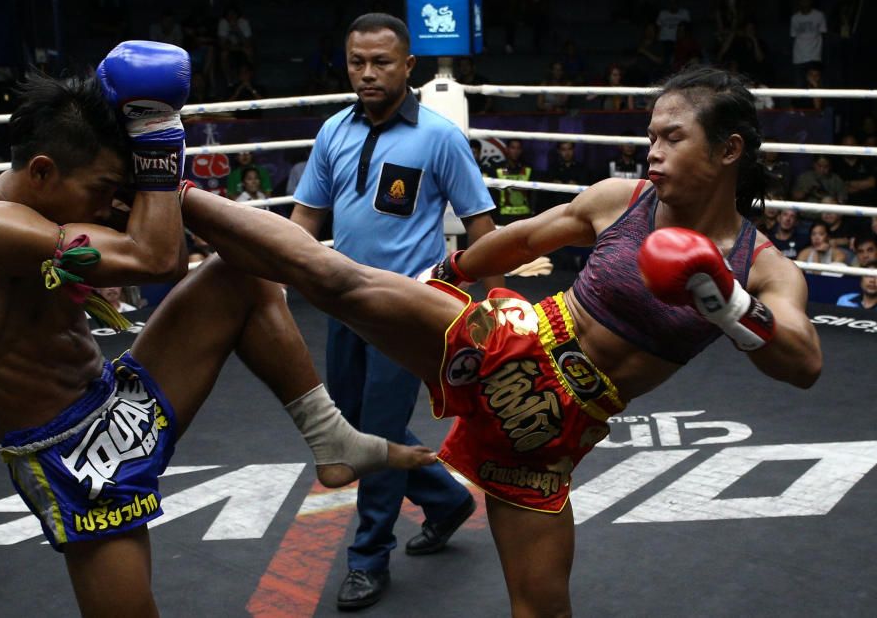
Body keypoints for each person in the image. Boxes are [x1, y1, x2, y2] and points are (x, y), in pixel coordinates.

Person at [176, 64, 822, 617]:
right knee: (336, 279)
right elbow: (525, 238)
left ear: (729, 149)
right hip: (513, 346)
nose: (651, 150)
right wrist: (452, 272)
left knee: (544, 607)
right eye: (649, 135)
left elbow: (804, 362)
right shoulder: (623, 199)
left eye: (671, 138)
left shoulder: (759, 264)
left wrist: (728, 300)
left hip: (549, 434)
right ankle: (168, 188)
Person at [0, 41, 433, 617]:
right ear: (43, 170)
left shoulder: (54, 208)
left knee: (240, 270)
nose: (107, 205)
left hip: (115, 399)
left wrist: (159, 164)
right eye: (101, 189)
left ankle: (329, 436)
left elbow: (233, 248)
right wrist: (160, 149)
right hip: (72, 455)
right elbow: (158, 259)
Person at [287, 13, 503, 611]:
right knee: (354, 426)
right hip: (341, 302)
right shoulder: (333, 130)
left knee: (376, 431)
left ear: (408, 66)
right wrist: (271, 279)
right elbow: (305, 220)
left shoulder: (438, 137)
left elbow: (483, 230)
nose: (367, 73)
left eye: (381, 62)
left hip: (410, 306)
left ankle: (368, 558)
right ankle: (446, 497)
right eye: (357, 61)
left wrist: (501, 311)